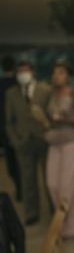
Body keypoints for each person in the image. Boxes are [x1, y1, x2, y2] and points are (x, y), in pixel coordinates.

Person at [44, 61, 74, 238]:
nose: (57, 76)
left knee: (68, 185)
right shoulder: (51, 95)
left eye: (61, 73)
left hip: (73, 140)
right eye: (55, 73)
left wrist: (68, 118)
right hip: (55, 141)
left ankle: (73, 225)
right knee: (52, 183)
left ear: (68, 76)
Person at [5, 60, 50, 225]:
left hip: (44, 139)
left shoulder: (44, 89)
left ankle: (54, 207)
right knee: (27, 178)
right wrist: (15, 141)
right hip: (23, 142)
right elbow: (9, 121)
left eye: (26, 70)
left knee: (49, 177)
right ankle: (31, 213)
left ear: (32, 72)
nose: (23, 74)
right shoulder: (11, 93)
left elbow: (51, 113)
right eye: (20, 71)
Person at [0, 55, 20, 201]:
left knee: (12, 161)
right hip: (20, 130)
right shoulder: (17, 85)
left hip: (4, 130)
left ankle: (19, 188)